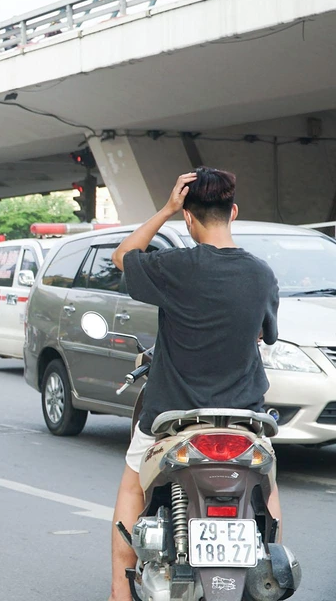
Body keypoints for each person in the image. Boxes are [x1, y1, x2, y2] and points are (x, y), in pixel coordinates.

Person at [106, 168, 282, 601]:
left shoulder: (174, 266)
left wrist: (165, 208)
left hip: (173, 417)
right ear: (233, 212)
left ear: (188, 218)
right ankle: (270, 571)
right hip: (244, 419)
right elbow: (264, 333)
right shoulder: (261, 274)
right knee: (267, 485)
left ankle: (119, 593)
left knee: (133, 485)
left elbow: (123, 255)